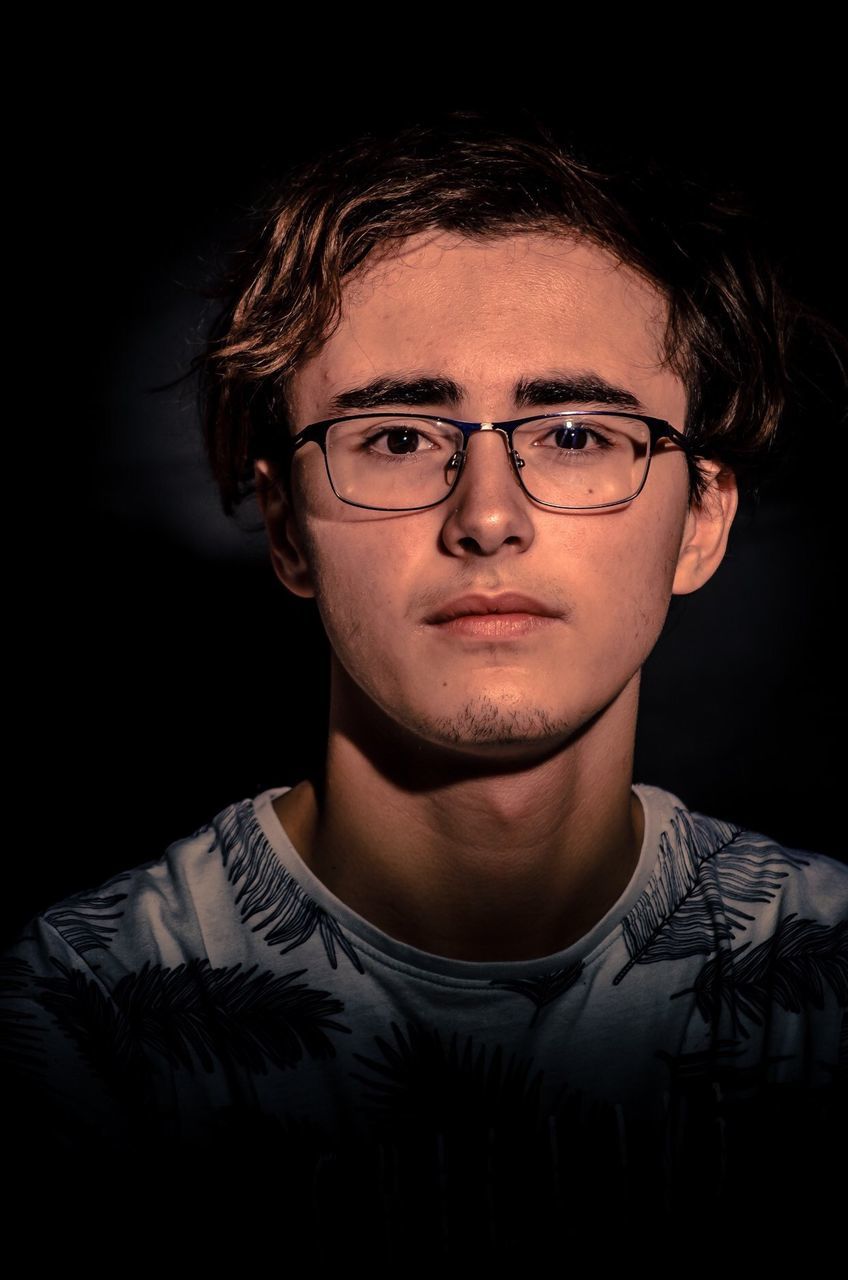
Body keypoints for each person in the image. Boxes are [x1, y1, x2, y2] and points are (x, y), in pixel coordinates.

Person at [2, 108, 846, 1259]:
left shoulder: (832, 975)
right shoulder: (81, 1016)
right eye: (396, 437)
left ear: (699, 518)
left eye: (572, 431)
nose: (486, 516)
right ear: (287, 528)